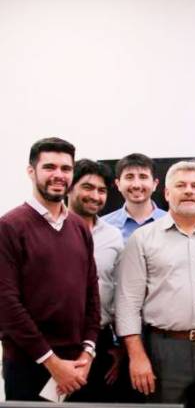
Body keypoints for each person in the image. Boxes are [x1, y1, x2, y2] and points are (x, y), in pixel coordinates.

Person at [116, 161, 195, 408]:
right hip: (163, 349)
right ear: (167, 193)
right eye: (181, 185)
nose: (188, 191)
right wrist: (136, 356)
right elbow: (127, 303)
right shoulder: (143, 239)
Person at [0, 137, 100, 400]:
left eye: (66, 169)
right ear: (31, 172)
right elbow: (6, 303)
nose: (59, 175)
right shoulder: (9, 226)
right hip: (29, 364)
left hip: (77, 366)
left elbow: (92, 292)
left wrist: (87, 352)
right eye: (49, 167)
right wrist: (51, 361)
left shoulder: (79, 226)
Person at [66, 159, 127, 402]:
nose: (96, 196)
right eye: (87, 187)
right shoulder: (49, 231)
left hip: (100, 341)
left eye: (101, 190)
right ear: (70, 187)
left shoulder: (113, 236)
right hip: (55, 342)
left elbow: (121, 293)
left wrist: (118, 345)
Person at [102, 153, 166, 242]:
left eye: (143, 177)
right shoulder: (103, 226)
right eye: (129, 177)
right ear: (118, 184)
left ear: (155, 184)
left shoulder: (172, 223)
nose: (136, 185)